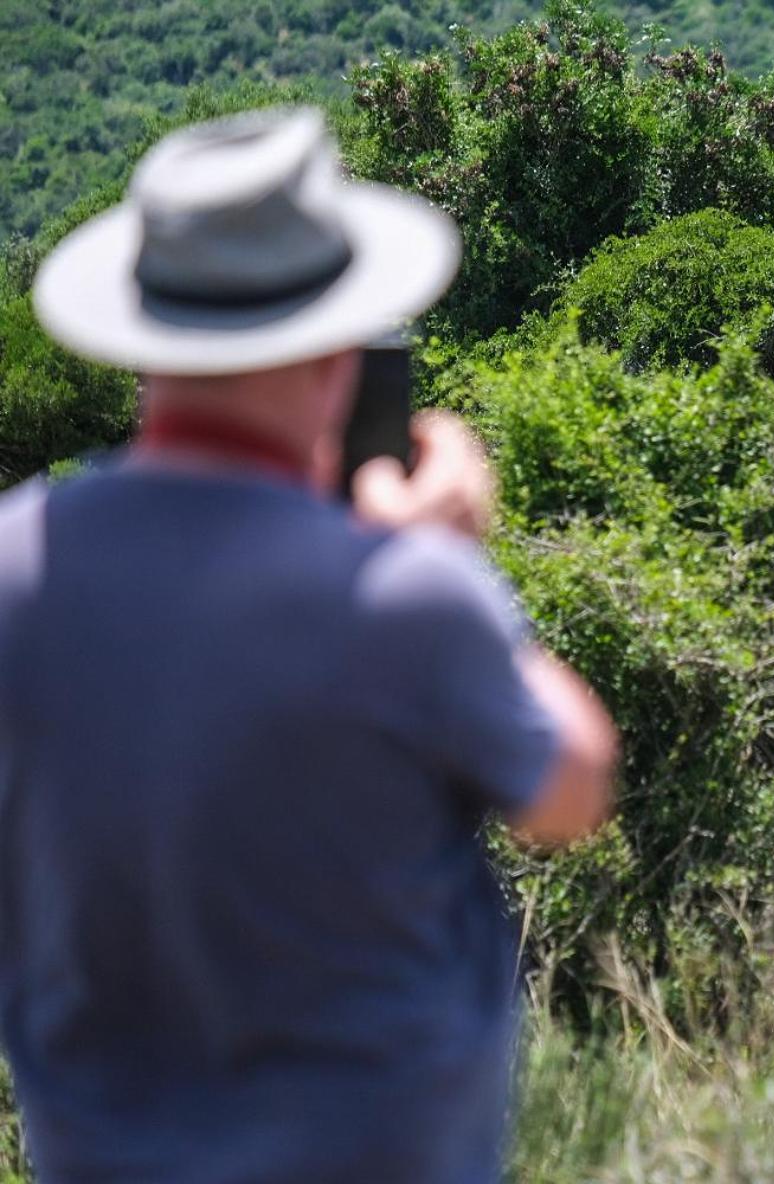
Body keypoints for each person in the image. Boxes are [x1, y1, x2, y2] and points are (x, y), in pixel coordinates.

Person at [0, 107, 619, 1181]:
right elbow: (571, 788)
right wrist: (457, 562)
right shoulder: (407, 594)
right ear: (342, 351)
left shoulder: (16, 565)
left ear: (144, 339)